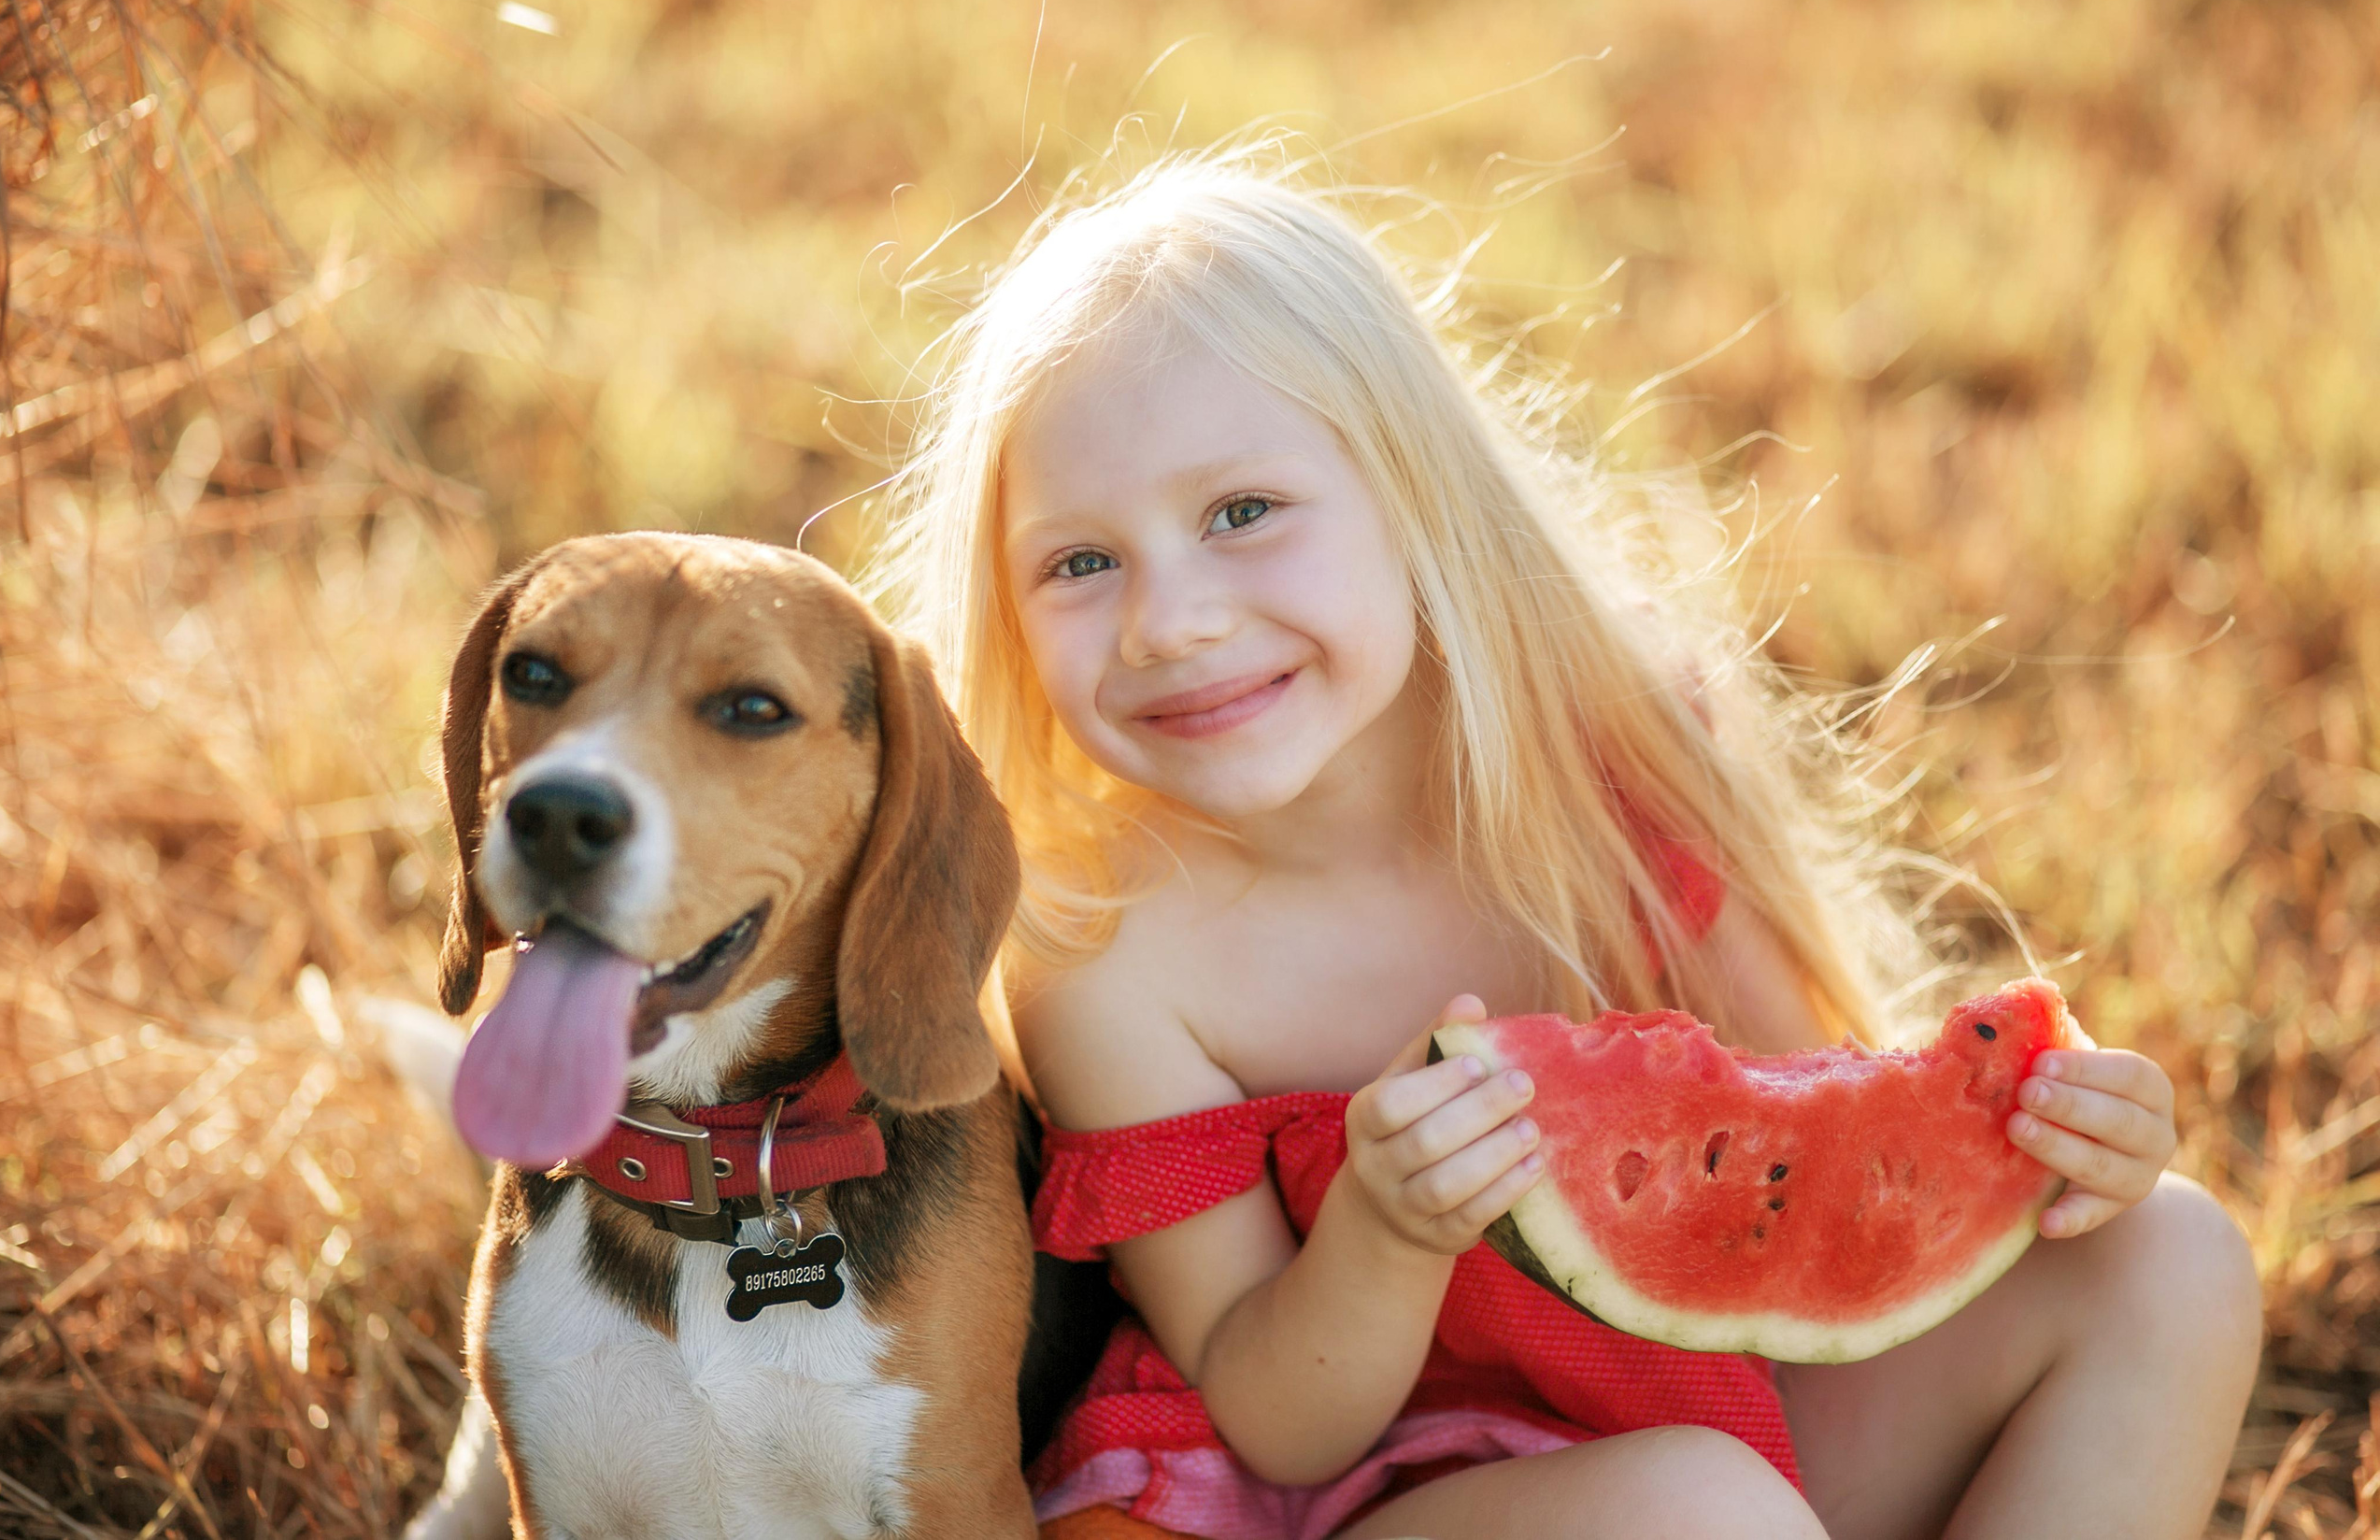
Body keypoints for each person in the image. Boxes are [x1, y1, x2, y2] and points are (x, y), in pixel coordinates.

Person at [863, 156, 2261, 1540]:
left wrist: (2036, 1149)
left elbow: (1818, 1124)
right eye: (1079, 563)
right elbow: (1274, 1413)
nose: (1169, 622)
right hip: (1348, 1498)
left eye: (1244, 514)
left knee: (2170, 1259)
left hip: (1699, 1414)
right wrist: (1387, 1236)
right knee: (1699, 1513)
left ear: (1416, 497)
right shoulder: (1113, 954)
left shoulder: (1614, 756)